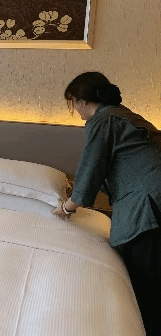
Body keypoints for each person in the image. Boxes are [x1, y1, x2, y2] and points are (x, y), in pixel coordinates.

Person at [52, 71, 161, 335]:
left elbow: (91, 168)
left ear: (81, 100)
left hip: (149, 206)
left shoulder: (103, 121)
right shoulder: (125, 115)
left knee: (147, 289)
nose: (74, 109)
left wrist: (67, 207)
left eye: (73, 102)